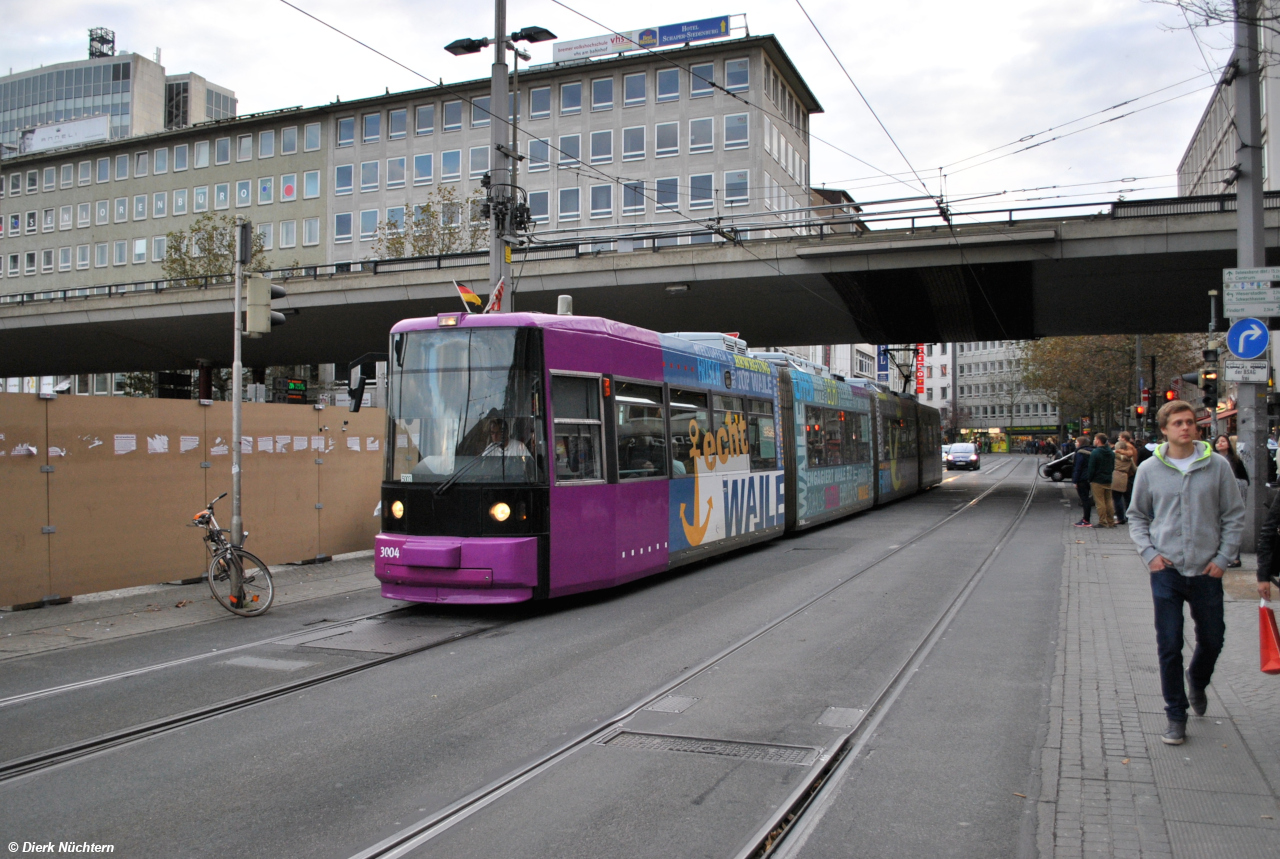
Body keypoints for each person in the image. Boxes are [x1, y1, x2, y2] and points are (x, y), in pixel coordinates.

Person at [1128, 399, 1245, 746]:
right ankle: (1175, 715)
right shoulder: (1150, 469)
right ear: (1164, 429)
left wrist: (1223, 558)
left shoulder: (1217, 466)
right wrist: (1149, 554)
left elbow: (1233, 515)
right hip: (1167, 569)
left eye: (1189, 422)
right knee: (1169, 644)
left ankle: (1197, 678)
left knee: (1212, 639)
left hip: (1207, 570)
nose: (1185, 427)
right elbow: (1137, 516)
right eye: (1177, 422)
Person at [1088, 433, 1116, 528]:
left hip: (1097, 480)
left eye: (1095, 439)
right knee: (1109, 501)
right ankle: (1111, 521)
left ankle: (1102, 521)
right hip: (1108, 478)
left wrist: (1090, 478)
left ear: (1098, 441)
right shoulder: (1111, 453)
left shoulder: (1095, 453)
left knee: (1100, 502)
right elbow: (1113, 466)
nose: (1094, 441)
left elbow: (1091, 468)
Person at [1112, 436, 1138, 525]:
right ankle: (1129, 516)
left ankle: (1120, 518)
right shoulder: (1129, 458)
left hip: (1115, 477)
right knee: (1128, 498)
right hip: (1126, 477)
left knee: (1117, 499)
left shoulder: (1114, 456)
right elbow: (1135, 469)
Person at [1072, 435, 1095, 527]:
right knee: (1088, 499)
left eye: (1077, 442)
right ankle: (1086, 518)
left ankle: (1086, 519)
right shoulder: (1093, 451)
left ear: (1080, 443)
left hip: (1082, 478)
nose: (1075, 444)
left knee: (1084, 499)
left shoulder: (1080, 453)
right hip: (1091, 477)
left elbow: (1078, 467)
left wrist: (1075, 480)